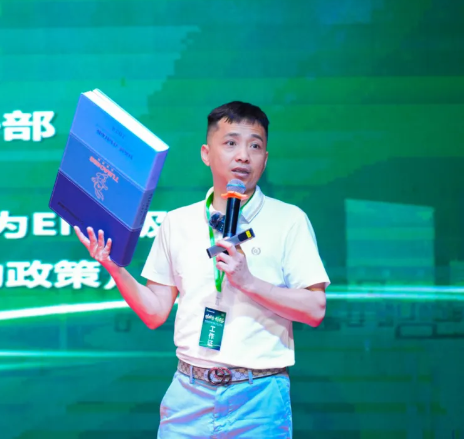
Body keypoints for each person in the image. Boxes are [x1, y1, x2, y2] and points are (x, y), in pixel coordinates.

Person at [74, 101, 330, 438]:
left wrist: (249, 282)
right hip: (189, 394)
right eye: (231, 143)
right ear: (206, 154)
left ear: (265, 159)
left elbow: (315, 309)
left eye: (255, 146)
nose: (243, 156)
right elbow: (154, 312)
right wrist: (114, 267)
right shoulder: (177, 222)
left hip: (259, 397)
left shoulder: (289, 220)